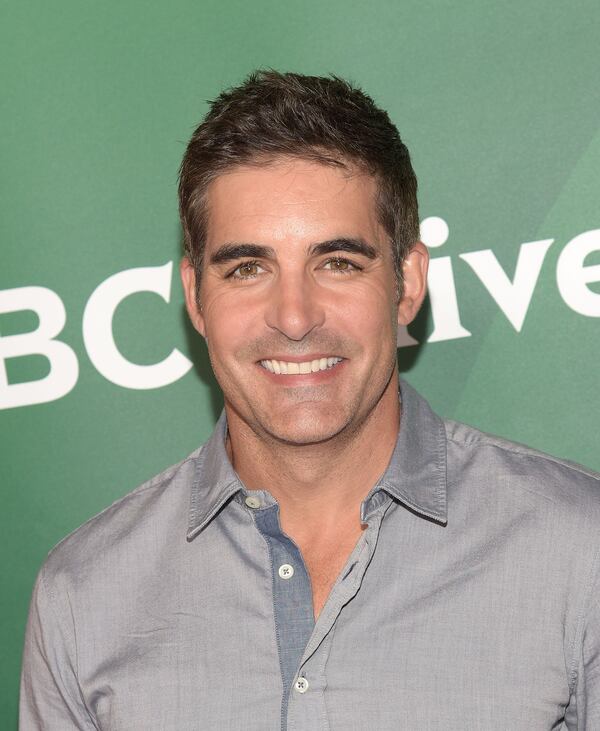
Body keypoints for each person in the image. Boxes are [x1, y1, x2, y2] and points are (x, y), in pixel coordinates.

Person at [20, 70, 599, 730]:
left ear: (408, 282)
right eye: (247, 268)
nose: (294, 317)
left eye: (337, 262)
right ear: (195, 295)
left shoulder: (582, 556)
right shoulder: (83, 597)